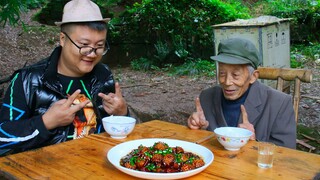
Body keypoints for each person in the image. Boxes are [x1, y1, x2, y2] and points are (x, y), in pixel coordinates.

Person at [0, 0, 128, 155]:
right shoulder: (27, 80)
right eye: (84, 45)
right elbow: (2, 138)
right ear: (63, 39)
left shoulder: (103, 75)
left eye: (99, 46)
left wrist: (122, 113)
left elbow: (115, 132)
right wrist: (46, 122)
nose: (92, 54)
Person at [187, 38, 296, 149]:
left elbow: (287, 157)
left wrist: (254, 142)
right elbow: (194, 146)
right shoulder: (206, 97)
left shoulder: (279, 104)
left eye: (235, 75)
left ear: (253, 76)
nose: (227, 82)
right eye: (222, 73)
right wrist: (198, 127)